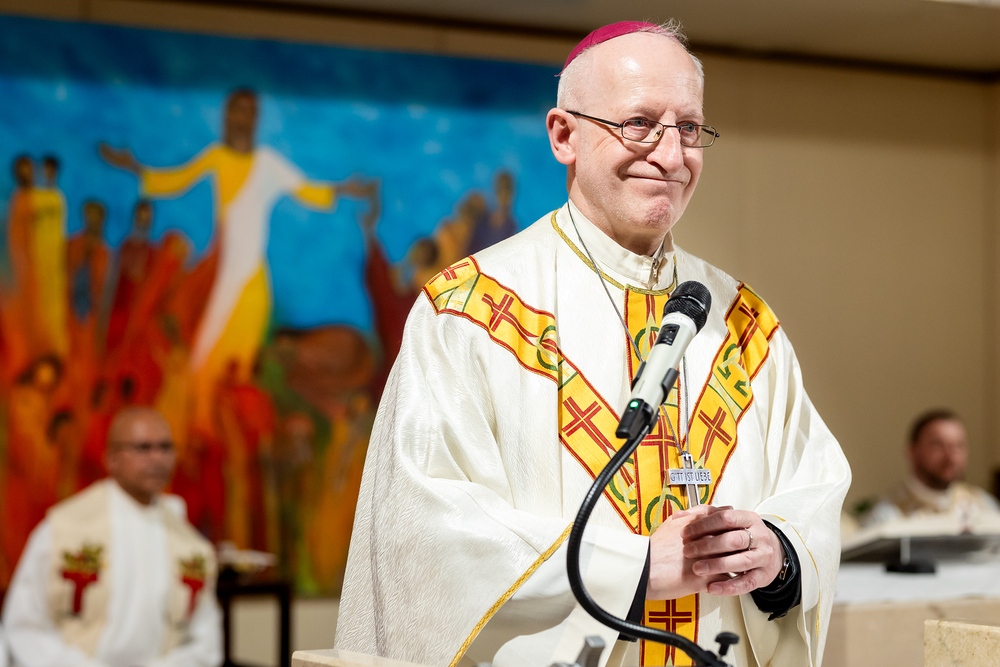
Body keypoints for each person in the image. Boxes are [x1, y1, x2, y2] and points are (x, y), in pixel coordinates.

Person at [335, 20, 851, 667]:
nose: (671, 154)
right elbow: (426, 533)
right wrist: (634, 568)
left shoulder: (744, 323)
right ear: (563, 136)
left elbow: (813, 491)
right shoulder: (467, 310)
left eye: (689, 128)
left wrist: (779, 554)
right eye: (640, 123)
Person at [99, 89, 374, 438]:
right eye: (234, 110)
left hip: (252, 283)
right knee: (204, 351)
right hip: (222, 276)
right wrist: (134, 167)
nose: (239, 118)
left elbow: (306, 189)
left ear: (255, 119)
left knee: (240, 361)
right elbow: (175, 178)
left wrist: (345, 190)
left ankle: (224, 431)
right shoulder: (217, 157)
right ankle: (193, 426)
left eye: (247, 111)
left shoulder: (267, 164)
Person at [2, 406, 222, 667]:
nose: (157, 458)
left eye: (165, 448)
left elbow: (205, 639)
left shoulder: (190, 544)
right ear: (111, 458)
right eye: (143, 448)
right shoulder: (65, 529)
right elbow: (25, 626)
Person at [861, 409, 1000, 527]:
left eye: (958, 445)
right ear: (913, 451)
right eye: (938, 445)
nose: (951, 456)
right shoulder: (888, 514)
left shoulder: (984, 505)